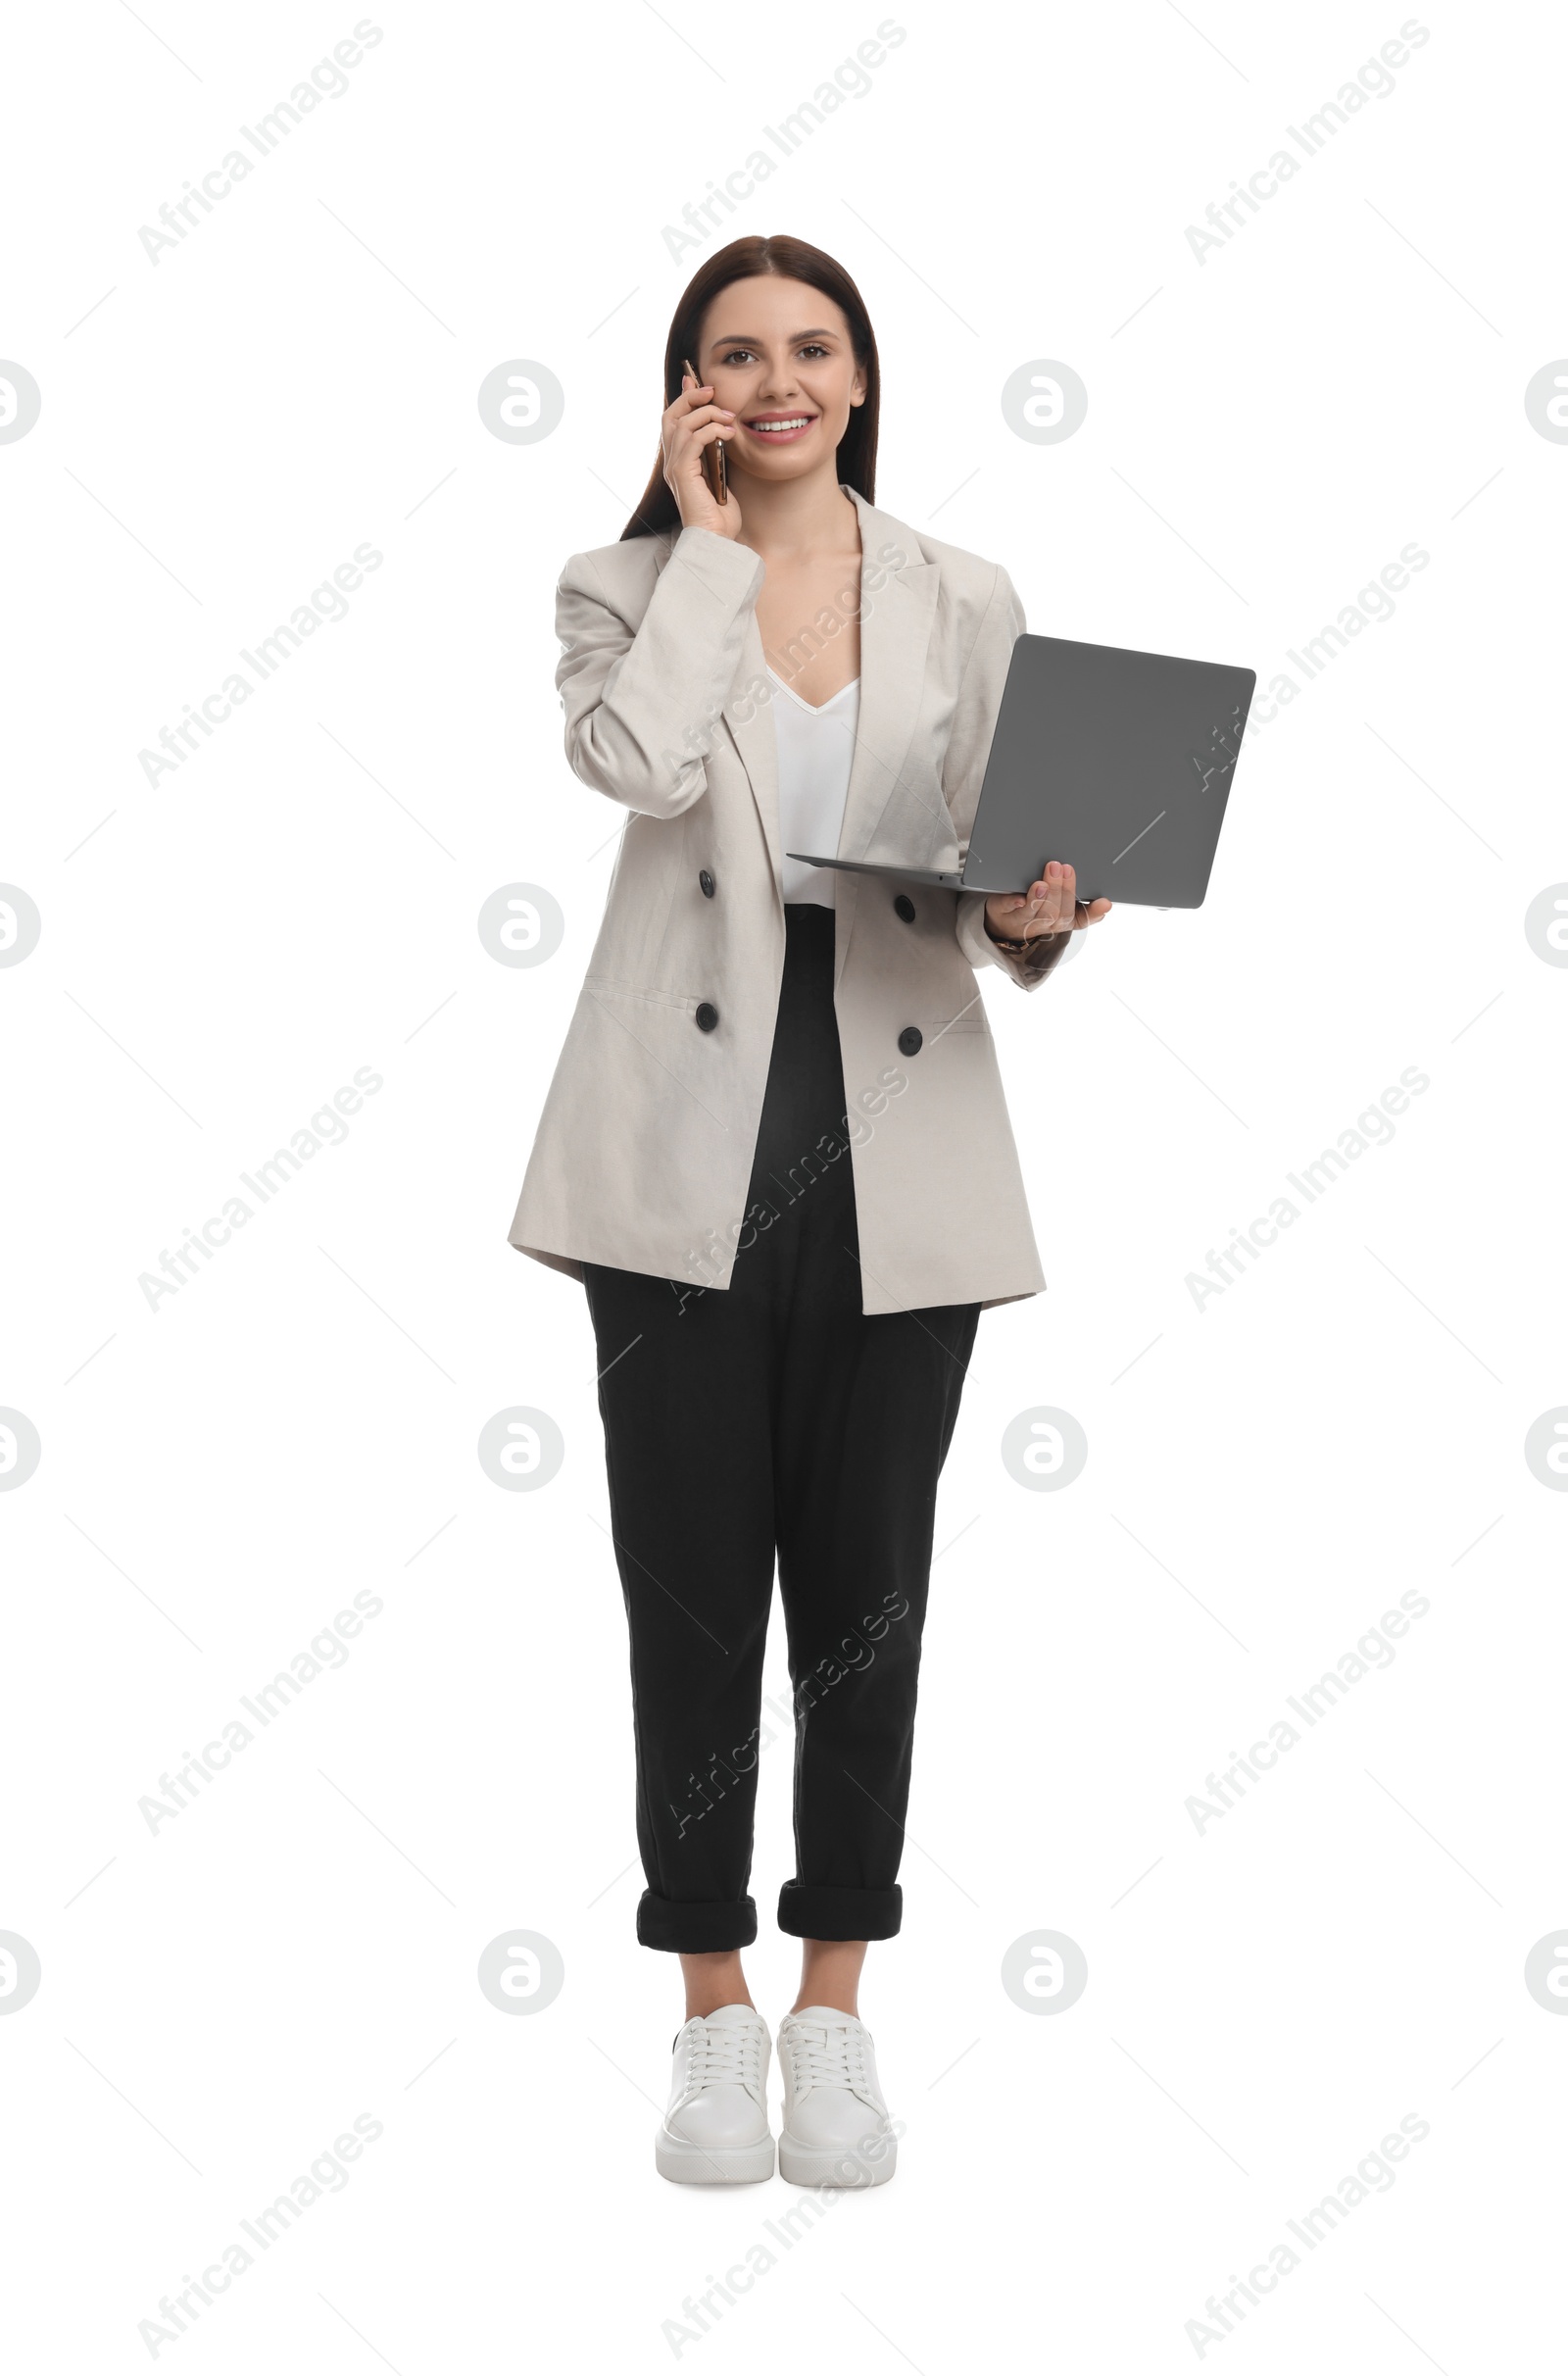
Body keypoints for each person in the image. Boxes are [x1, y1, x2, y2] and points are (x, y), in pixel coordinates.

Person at [508, 233, 1111, 2186]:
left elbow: (1002, 871)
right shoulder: (620, 588)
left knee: (864, 1595)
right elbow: (634, 759)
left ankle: (835, 2005)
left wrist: (1040, 910)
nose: (774, 379)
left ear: (858, 374)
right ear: (686, 389)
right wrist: (700, 546)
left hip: (895, 1112)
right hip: (674, 1137)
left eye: (808, 347)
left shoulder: (966, 592)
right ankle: (706, 2008)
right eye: (730, 354)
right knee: (686, 1590)